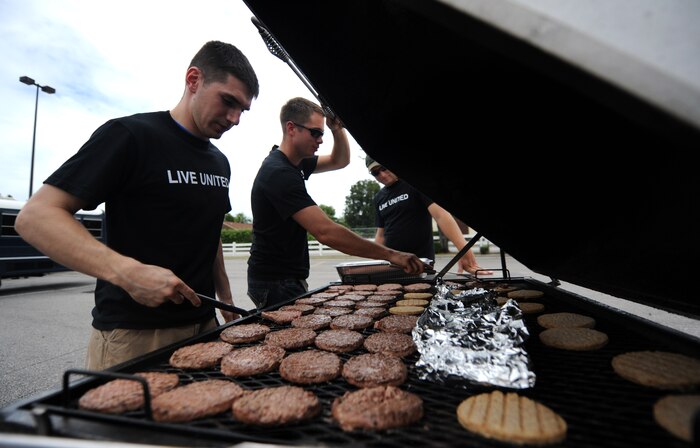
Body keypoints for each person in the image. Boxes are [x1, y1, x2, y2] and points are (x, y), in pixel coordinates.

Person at [15, 41, 259, 370]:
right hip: (134, 334)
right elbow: (36, 217)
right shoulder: (131, 135)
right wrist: (127, 273)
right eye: (228, 101)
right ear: (193, 80)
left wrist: (225, 297)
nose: (234, 118)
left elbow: (208, 230)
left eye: (242, 109)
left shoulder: (220, 162)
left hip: (206, 327)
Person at [247, 97, 425, 309]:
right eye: (316, 132)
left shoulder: (297, 163)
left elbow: (339, 160)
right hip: (275, 281)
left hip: (284, 278)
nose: (320, 140)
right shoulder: (279, 172)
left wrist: (336, 129)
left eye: (322, 133)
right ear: (291, 128)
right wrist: (391, 255)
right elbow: (326, 232)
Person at [366, 156, 492, 276]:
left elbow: (440, 215)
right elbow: (381, 234)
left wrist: (464, 250)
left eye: (383, 168)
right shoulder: (378, 198)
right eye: (375, 173)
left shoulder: (414, 183)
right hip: (392, 263)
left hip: (420, 261)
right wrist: (375, 263)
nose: (381, 174)